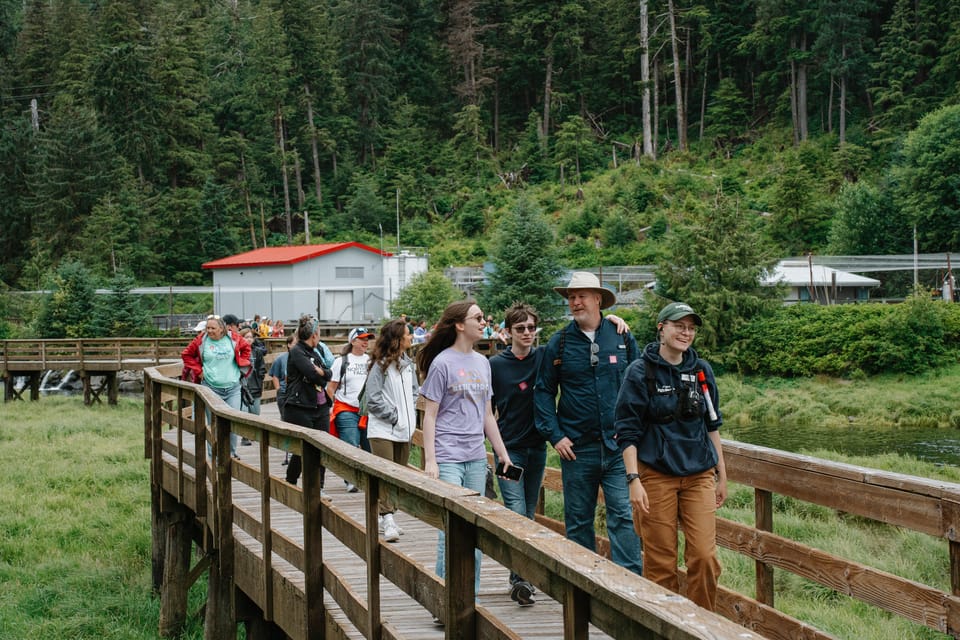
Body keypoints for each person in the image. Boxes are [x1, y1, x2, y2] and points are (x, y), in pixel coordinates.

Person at [490, 302, 631, 606]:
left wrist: (613, 320)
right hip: (507, 452)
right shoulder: (495, 365)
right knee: (515, 510)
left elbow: (582, 351)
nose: (527, 333)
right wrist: (494, 449)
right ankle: (521, 578)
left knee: (527, 512)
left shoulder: (546, 352)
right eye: (520, 329)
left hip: (535, 449)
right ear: (507, 332)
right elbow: (483, 407)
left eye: (530, 328)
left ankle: (521, 575)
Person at [615, 302, 727, 611]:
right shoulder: (640, 371)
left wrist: (723, 474)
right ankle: (664, 625)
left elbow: (712, 425)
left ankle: (701, 626)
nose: (686, 332)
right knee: (661, 562)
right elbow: (626, 431)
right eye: (679, 325)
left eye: (691, 328)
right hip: (656, 476)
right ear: (661, 327)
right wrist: (633, 479)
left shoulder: (701, 370)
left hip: (700, 474)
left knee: (704, 557)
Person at [533, 272, 643, 575]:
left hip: (619, 447)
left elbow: (639, 383)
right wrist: (555, 436)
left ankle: (632, 590)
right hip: (578, 449)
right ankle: (585, 588)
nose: (575, 302)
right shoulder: (560, 342)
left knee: (623, 516)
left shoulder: (621, 336)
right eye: (571, 297)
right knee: (579, 519)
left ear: (598, 299)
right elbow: (543, 391)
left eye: (581, 296)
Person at [418, 300, 514, 601]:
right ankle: (444, 597)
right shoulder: (442, 363)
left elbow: (487, 414)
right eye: (478, 318)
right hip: (447, 456)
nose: (483, 322)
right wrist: (430, 460)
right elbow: (429, 415)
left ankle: (467, 598)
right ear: (460, 325)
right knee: (451, 528)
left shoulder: (483, 363)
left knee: (472, 528)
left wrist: (501, 453)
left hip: (475, 456)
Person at [364, 318, 419, 542]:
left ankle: (388, 516)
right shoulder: (380, 366)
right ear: (397, 339)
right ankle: (387, 519)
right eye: (408, 334)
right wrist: (395, 417)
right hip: (383, 431)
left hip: (404, 430)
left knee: (398, 475)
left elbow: (414, 391)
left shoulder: (408, 365)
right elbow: (373, 399)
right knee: (385, 475)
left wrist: (409, 416)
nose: (411, 337)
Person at [181, 315, 251, 459]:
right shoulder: (202, 340)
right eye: (208, 328)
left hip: (233, 388)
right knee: (214, 424)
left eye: (213, 328)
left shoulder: (233, 338)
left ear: (221, 328)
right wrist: (199, 372)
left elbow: (246, 349)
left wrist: (241, 363)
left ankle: (230, 455)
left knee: (232, 422)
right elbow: (186, 355)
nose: (210, 331)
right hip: (211, 388)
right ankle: (214, 456)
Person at [283, 315, 333, 491]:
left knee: (322, 447)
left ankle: (318, 488)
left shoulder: (314, 352)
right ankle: (291, 479)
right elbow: (313, 375)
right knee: (304, 448)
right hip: (300, 406)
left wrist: (322, 373)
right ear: (314, 335)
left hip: (320, 406)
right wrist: (320, 374)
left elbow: (328, 373)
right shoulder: (297, 351)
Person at [327, 326, 375, 492]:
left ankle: (370, 480)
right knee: (350, 444)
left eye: (367, 339)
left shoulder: (371, 360)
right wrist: (331, 406)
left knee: (369, 446)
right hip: (346, 408)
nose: (365, 342)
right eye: (362, 339)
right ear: (353, 341)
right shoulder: (341, 361)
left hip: (367, 411)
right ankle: (350, 480)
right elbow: (331, 387)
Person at [239, 328, 268, 447]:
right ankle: (245, 437)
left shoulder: (258, 352)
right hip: (242, 386)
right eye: (246, 337)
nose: (249, 339)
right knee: (244, 412)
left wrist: (260, 378)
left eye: (251, 337)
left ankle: (253, 434)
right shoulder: (238, 351)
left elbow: (262, 367)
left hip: (255, 385)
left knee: (255, 412)